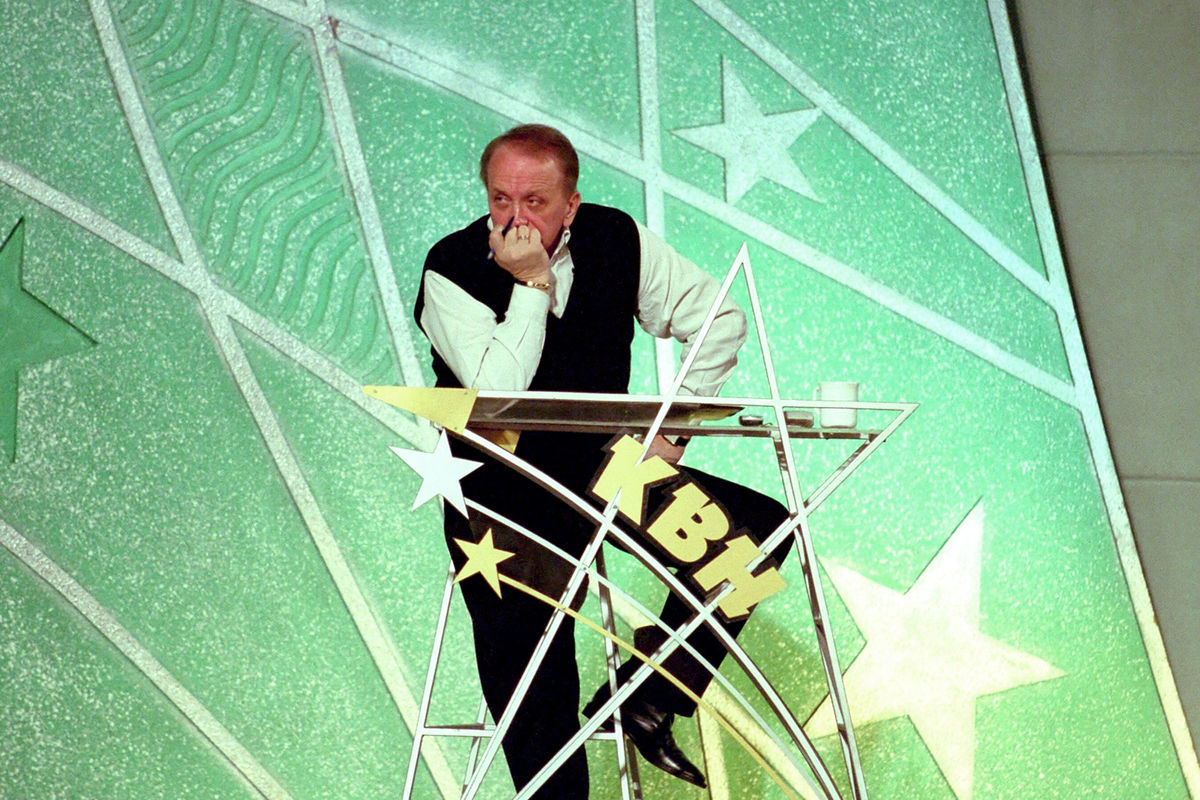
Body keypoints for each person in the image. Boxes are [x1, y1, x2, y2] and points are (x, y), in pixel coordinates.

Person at [414, 124, 789, 798]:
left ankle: (651, 694)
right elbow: (501, 390)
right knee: (537, 694)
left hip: (600, 469)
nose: (515, 219)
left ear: (572, 204)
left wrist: (672, 432)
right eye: (501, 200)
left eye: (535, 202)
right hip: (502, 492)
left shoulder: (615, 238)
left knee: (756, 536)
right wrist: (531, 284)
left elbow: (719, 319)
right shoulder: (451, 268)